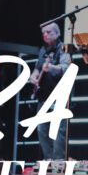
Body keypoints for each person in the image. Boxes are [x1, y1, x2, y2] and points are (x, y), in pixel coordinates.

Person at [28, 23, 71, 161]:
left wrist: (51, 67)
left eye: (48, 32)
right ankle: (48, 160)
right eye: (43, 33)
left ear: (57, 33)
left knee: (58, 131)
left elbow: (66, 68)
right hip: (43, 96)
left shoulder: (63, 48)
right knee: (41, 130)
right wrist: (33, 76)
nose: (45, 35)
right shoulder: (43, 50)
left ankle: (58, 162)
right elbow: (37, 67)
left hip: (58, 96)